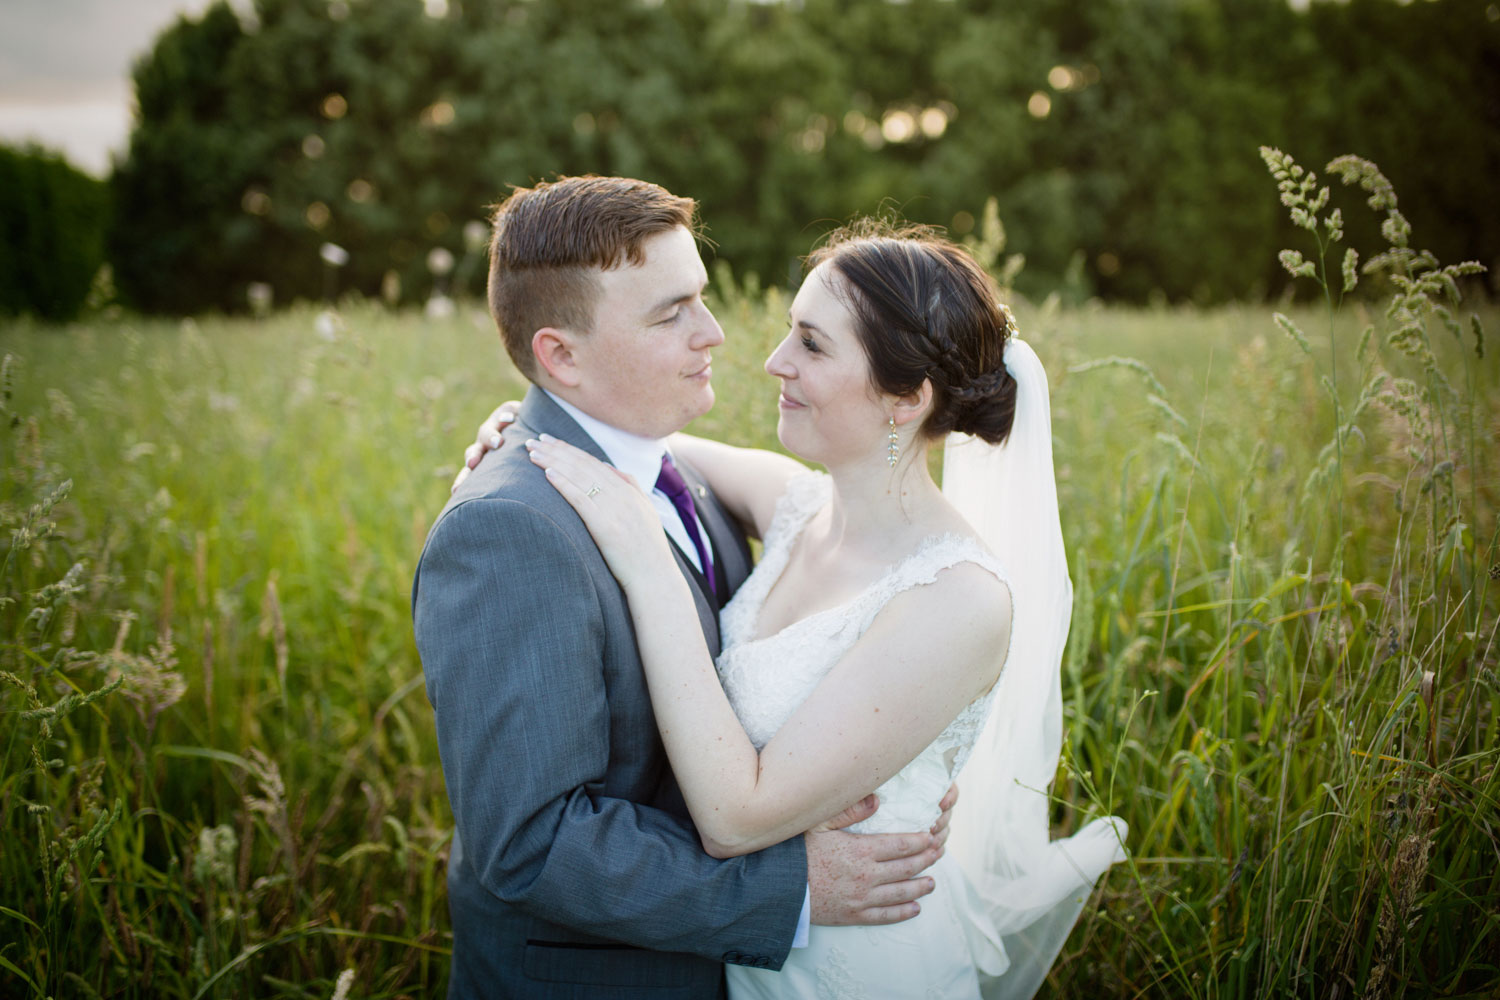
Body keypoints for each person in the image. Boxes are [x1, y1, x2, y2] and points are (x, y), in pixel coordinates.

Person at [477, 219, 1128, 997]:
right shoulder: (789, 503)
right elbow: (631, 448)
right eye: (790, 331)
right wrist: (515, 427)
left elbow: (735, 817)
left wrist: (651, 571)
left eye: (813, 346)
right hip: (745, 956)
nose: (772, 361)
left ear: (906, 398)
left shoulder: (958, 600)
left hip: (860, 960)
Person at [412, 176, 955, 1000]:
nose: (715, 335)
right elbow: (530, 842)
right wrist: (790, 886)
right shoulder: (508, 532)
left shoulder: (673, 472)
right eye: (671, 314)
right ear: (561, 355)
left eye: (701, 299)